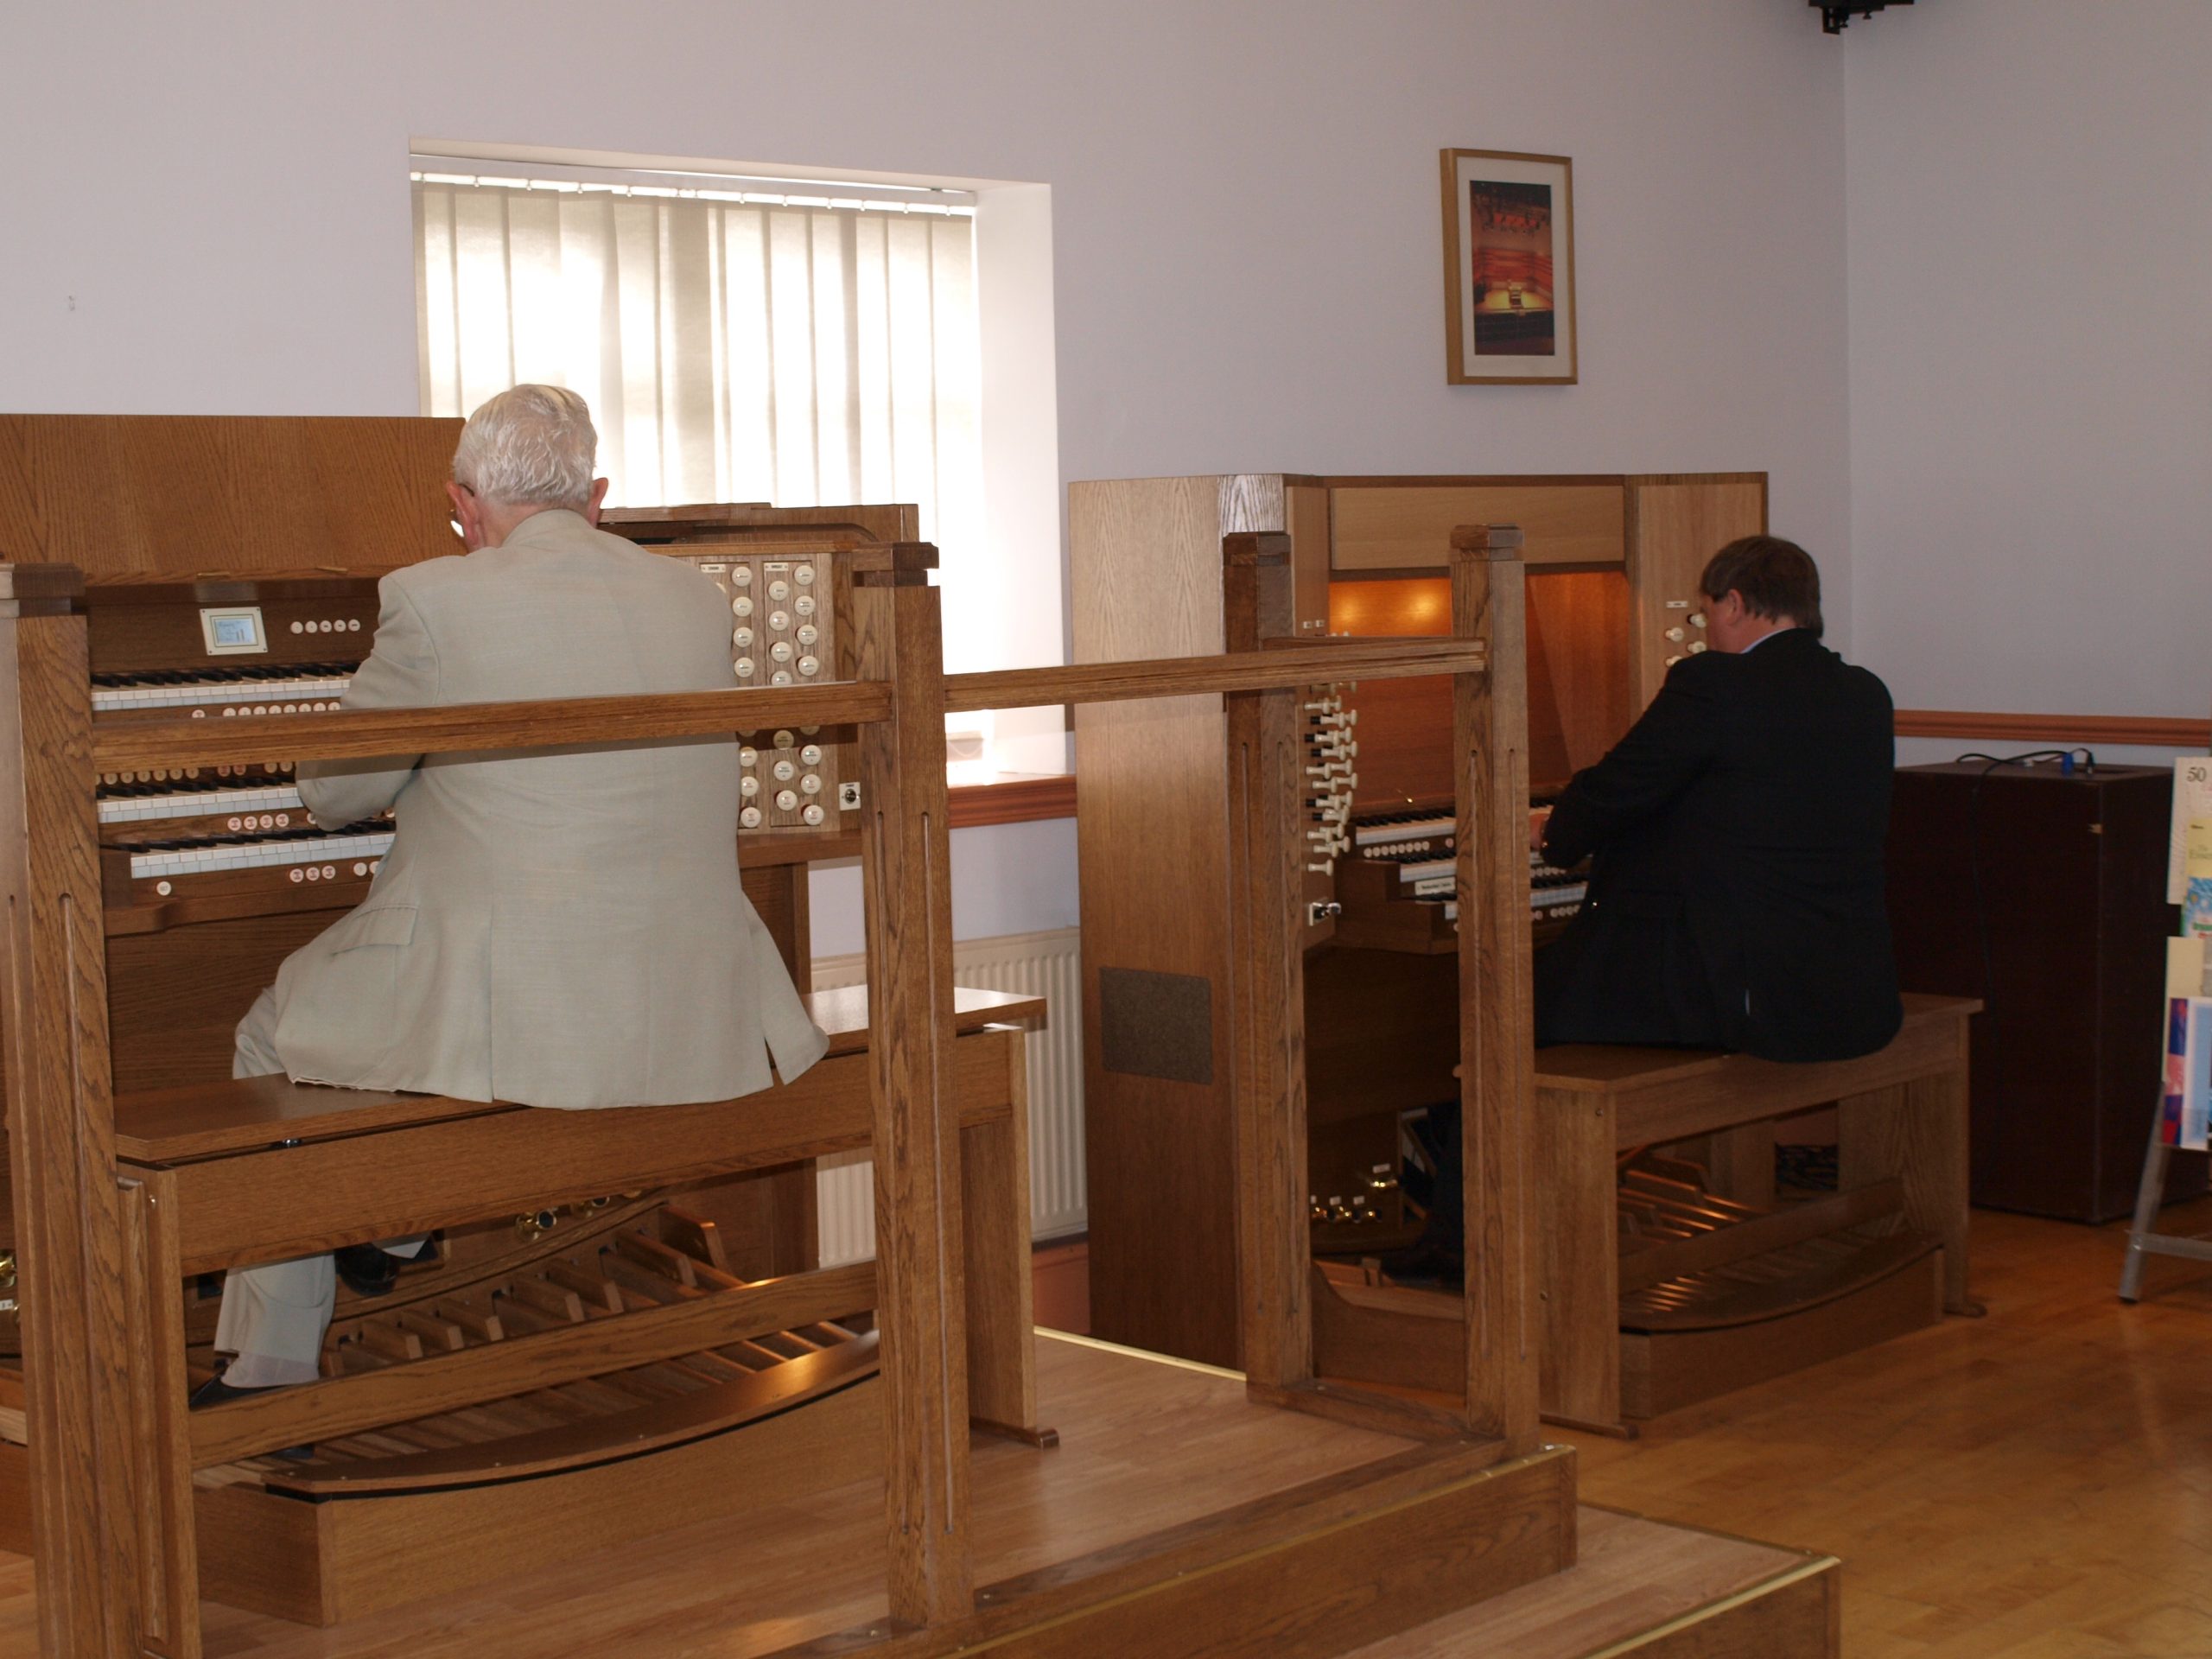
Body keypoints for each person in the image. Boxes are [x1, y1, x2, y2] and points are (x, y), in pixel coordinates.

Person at [196, 385, 828, 1403]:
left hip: (530, 990)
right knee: (390, 1005)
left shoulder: (436, 596)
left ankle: (281, 1355)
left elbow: (331, 790)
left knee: (276, 1034)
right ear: (599, 499)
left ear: (461, 503)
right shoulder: (692, 597)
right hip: (690, 976)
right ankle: (388, 1224)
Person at [1532, 534, 1902, 1063]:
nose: (1706, 635)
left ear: (1733, 602)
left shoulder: (1716, 684)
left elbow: (1621, 787)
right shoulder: (1865, 693)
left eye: (1705, 617)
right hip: (1843, 983)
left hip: (1743, 990)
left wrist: (1553, 831)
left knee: (1521, 1004)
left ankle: (1461, 1141)